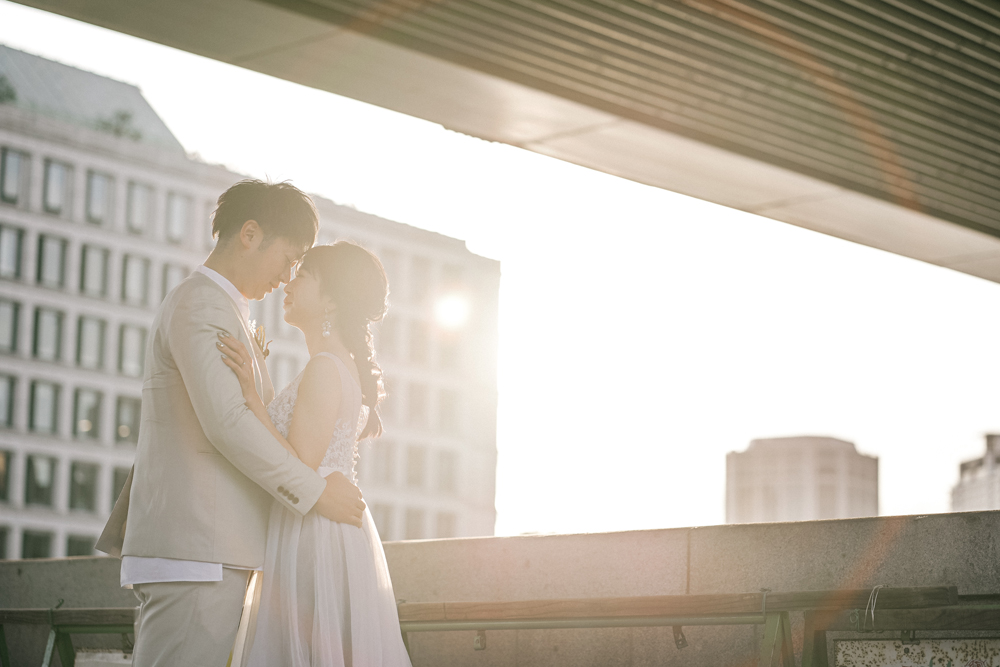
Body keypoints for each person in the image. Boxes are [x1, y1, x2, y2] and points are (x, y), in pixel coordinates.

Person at [96, 180, 367, 667]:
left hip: (214, 551)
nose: (288, 276)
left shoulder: (227, 310)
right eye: (288, 258)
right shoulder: (201, 303)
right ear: (249, 233)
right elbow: (227, 423)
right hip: (197, 549)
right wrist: (315, 490)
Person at [217, 241, 412, 666]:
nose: (289, 281)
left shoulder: (326, 367)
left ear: (331, 299)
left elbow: (299, 462)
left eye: (303, 274)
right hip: (319, 524)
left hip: (314, 531)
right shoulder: (334, 365)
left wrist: (250, 395)